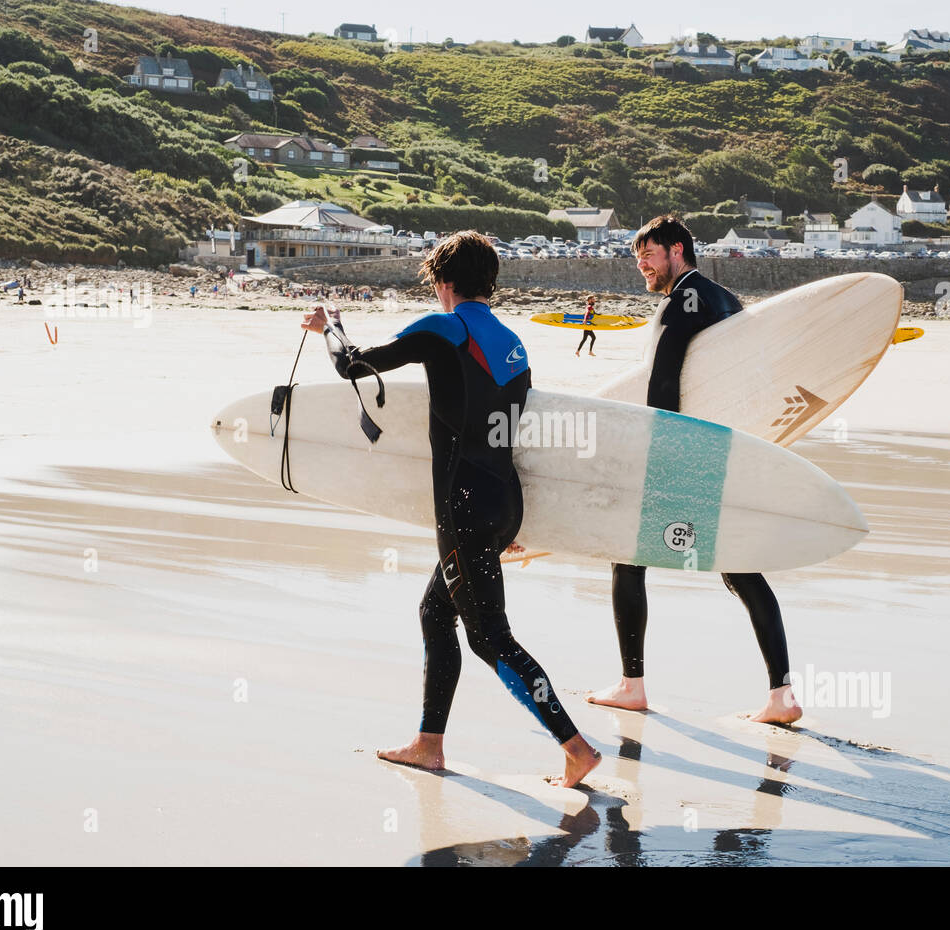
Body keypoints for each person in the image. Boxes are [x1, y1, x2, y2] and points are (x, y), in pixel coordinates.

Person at [300, 231, 601, 787]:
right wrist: (503, 522)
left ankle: (575, 746)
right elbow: (509, 429)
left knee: (489, 636)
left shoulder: (445, 328)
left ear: (441, 280)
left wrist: (330, 327)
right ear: (489, 281)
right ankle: (428, 743)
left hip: (464, 504)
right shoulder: (513, 343)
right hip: (502, 499)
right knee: (437, 613)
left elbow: (355, 367)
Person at [585, 215, 802, 724]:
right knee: (741, 569)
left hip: (680, 451)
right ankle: (781, 694)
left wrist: (651, 451)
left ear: (677, 250)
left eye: (649, 254)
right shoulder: (725, 300)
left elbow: (663, 383)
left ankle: (631, 686)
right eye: (637, 255)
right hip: (724, 450)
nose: (641, 264)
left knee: (626, 556)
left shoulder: (679, 302)